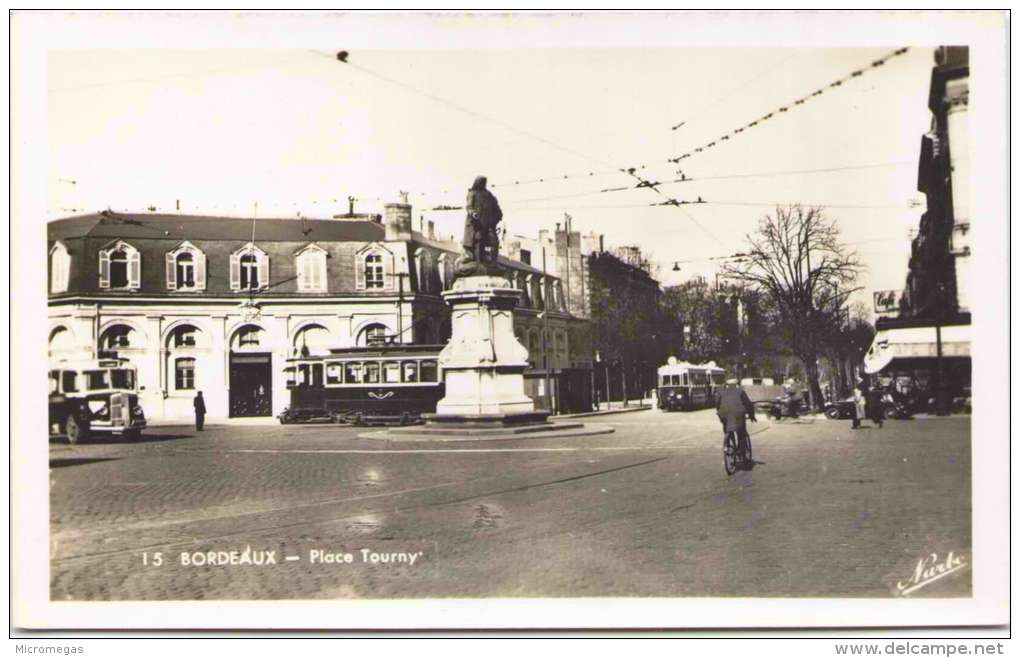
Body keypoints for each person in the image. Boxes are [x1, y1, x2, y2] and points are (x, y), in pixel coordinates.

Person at [715, 378, 757, 460]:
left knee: (727, 428)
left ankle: (728, 444)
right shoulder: (740, 391)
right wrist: (752, 416)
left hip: (724, 413)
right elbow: (748, 404)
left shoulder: (721, 392)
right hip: (738, 414)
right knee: (741, 433)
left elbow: (717, 403)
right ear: (737, 385)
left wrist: (720, 411)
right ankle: (742, 453)